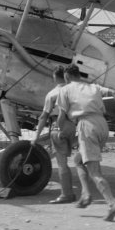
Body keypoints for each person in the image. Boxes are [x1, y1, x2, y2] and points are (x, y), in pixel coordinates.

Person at [56, 64, 115, 221]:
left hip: (86, 125)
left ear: (67, 76)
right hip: (102, 125)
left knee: (94, 171)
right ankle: (86, 194)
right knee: (78, 160)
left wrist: (60, 131)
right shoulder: (93, 86)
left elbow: (61, 116)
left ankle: (112, 205)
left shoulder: (65, 89)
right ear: (79, 75)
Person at [33, 65, 76, 204]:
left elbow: (43, 117)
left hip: (59, 126)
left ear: (54, 77)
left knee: (62, 163)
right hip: (75, 126)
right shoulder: (74, 91)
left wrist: (36, 136)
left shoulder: (52, 94)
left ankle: (66, 194)